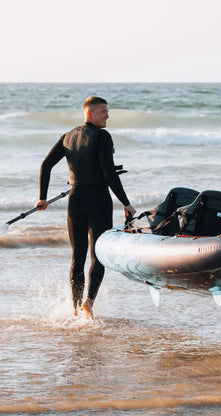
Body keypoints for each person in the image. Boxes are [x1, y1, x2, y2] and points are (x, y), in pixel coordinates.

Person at [36, 96, 136, 319]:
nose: (107, 116)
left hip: (75, 200)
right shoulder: (102, 136)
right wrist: (126, 203)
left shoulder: (68, 137)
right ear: (89, 113)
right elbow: (109, 175)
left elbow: (46, 165)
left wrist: (42, 198)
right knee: (97, 255)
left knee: (77, 256)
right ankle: (89, 303)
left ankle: (75, 308)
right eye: (103, 111)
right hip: (98, 200)